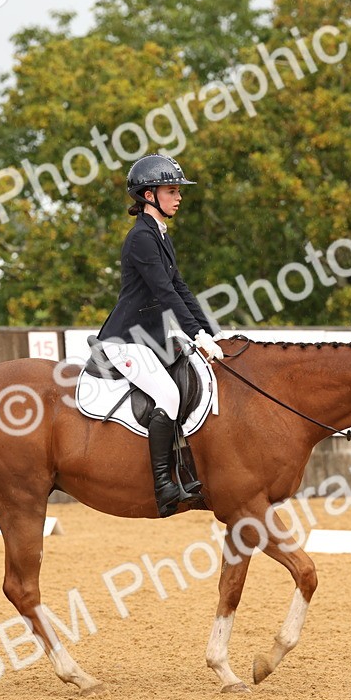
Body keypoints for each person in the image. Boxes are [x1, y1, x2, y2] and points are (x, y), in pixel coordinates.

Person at [95, 153, 224, 517]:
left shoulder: (159, 236)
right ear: (149, 195)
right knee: (166, 393)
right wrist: (196, 333)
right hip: (125, 340)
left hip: (150, 338)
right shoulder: (141, 239)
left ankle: (182, 468)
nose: (178, 197)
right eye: (172, 190)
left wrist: (213, 334)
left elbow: (179, 288)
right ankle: (164, 485)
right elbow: (164, 295)